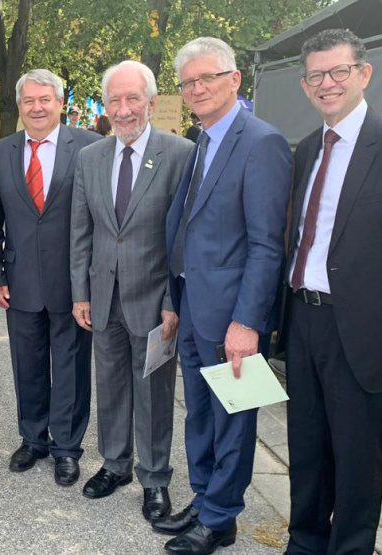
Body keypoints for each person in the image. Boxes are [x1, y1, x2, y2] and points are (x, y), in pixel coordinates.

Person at [156, 37, 292, 554]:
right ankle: (205, 498)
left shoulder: (261, 142)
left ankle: (220, 519)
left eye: (206, 78)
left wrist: (247, 322)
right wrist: (174, 299)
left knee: (233, 416)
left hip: (233, 315)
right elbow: (189, 226)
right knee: (199, 412)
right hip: (193, 303)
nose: (196, 89)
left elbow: (266, 244)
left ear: (235, 79)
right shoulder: (203, 139)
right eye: (188, 82)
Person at [71, 60, 194, 521]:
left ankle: (155, 476)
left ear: (151, 103)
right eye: (114, 100)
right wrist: (80, 293)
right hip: (102, 296)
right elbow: (81, 232)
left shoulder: (180, 154)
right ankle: (115, 464)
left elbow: (183, 236)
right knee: (110, 384)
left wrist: (172, 301)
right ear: (105, 106)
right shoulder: (91, 157)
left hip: (156, 300)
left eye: (133, 99)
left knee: (154, 393)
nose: (123, 109)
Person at [280, 29, 382, 555]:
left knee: (358, 454)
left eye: (339, 71)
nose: (327, 83)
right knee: (307, 443)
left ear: (363, 74)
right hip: (303, 319)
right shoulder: (306, 150)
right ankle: (304, 542)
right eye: (316, 75)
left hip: (361, 328)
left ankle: (350, 548)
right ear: (304, 85)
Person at [0, 69, 99, 487]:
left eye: (45, 99)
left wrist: (91, 281)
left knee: (71, 368)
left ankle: (67, 447)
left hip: (73, 282)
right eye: (29, 100)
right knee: (27, 364)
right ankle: (33, 439)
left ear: (60, 103)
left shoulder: (89, 146)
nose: (37, 107)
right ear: (19, 105)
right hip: (18, 280)